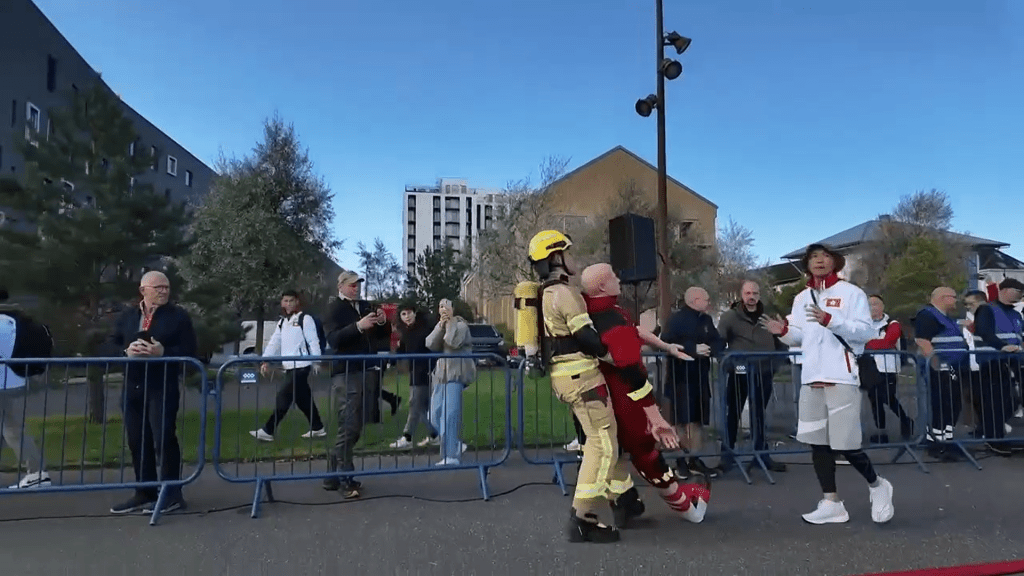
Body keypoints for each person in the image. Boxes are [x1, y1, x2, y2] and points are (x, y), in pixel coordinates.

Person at [761, 244, 894, 525]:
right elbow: (799, 336)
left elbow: (865, 331)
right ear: (807, 264)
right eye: (813, 257)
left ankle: (877, 485)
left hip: (841, 376)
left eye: (824, 256)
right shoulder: (801, 298)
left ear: (834, 262)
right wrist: (783, 331)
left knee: (846, 443)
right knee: (817, 443)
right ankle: (831, 501)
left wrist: (831, 320)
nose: (819, 261)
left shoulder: (851, 293)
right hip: (811, 377)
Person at [580, 263, 710, 527]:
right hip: (624, 398)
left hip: (596, 398)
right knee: (645, 452)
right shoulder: (611, 320)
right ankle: (687, 508)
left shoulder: (596, 311)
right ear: (603, 286)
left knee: (614, 455)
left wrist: (666, 346)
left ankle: (624, 505)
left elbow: (635, 330)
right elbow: (632, 372)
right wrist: (655, 416)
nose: (619, 278)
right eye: (614, 276)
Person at [519, 230, 620, 543]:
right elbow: (586, 338)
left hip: (568, 378)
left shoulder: (547, 294)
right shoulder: (564, 293)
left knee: (598, 442)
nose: (574, 258)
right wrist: (616, 357)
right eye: (568, 252)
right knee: (602, 445)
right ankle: (581, 518)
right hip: (582, 378)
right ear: (556, 257)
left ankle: (619, 499)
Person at [106, 271, 197, 514]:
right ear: (143, 289)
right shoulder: (128, 316)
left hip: (162, 385)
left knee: (163, 437)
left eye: (166, 287)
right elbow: (110, 343)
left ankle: (172, 493)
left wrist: (163, 352)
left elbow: (191, 350)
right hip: (133, 385)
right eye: (158, 287)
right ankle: (145, 492)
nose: (164, 291)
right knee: (137, 439)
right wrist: (126, 352)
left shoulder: (178, 317)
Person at [323, 269, 392, 498]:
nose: (356, 288)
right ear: (341, 286)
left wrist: (383, 321)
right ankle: (345, 478)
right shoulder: (334, 309)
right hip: (346, 372)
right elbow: (333, 340)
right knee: (349, 423)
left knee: (356, 425)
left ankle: (332, 475)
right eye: (352, 285)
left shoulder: (364, 306)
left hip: (367, 369)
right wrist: (358, 327)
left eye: (358, 284)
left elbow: (382, 336)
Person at [717, 280, 787, 474]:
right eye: (748, 293)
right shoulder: (730, 317)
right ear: (741, 295)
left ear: (759, 295)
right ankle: (727, 456)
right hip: (739, 372)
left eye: (755, 292)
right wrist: (728, 363)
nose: (751, 296)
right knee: (733, 415)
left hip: (764, 372)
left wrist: (776, 364)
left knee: (759, 415)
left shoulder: (768, 316)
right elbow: (719, 342)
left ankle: (761, 456)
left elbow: (782, 340)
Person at [662, 286, 726, 478]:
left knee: (697, 420)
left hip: (700, 376)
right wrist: (692, 348)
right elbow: (666, 341)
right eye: (705, 299)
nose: (709, 302)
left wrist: (711, 349)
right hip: (680, 377)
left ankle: (694, 459)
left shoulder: (706, 320)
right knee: (682, 421)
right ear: (693, 300)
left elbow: (717, 341)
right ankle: (681, 460)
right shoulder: (676, 319)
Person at [249, 290, 326, 442]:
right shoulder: (283, 322)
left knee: (284, 397)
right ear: (282, 303)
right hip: (290, 366)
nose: (289, 304)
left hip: (302, 365)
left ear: (297, 301)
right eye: (286, 301)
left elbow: (313, 341)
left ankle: (268, 430)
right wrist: (265, 360)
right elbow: (274, 342)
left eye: (291, 300)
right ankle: (318, 428)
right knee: (303, 399)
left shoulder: (306, 319)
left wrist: (316, 361)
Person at [967, 278, 1023, 455]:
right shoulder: (987, 309)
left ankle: (991, 432)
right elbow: (984, 332)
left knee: (1011, 400)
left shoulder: (1016, 315)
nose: (1021, 295)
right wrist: (1002, 346)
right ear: (1005, 290)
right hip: (991, 361)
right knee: (995, 402)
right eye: (1018, 291)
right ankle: (993, 439)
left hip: (1012, 361)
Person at [913, 286, 969, 460]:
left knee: (953, 404)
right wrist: (936, 365)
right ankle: (937, 443)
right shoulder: (928, 315)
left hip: (953, 367)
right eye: (953, 297)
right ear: (943, 298)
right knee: (941, 405)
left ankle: (947, 440)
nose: (956, 301)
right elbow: (923, 342)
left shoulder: (946, 318)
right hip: (940, 368)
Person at [0, 301, 50, 489]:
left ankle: (37, 471)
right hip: (10, 380)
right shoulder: (9, 319)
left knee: (11, 427)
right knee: (8, 425)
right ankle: (37, 471)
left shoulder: (3, 322)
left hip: (5, 380)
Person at [425, 299, 475, 465]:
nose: (443, 309)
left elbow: (452, 342)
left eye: (447, 306)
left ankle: (451, 456)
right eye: (440, 306)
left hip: (456, 374)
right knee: (433, 414)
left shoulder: (461, 325)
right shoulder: (441, 325)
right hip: (440, 376)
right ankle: (456, 444)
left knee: (450, 415)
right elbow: (430, 344)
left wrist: (450, 323)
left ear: (454, 309)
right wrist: (440, 326)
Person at [864, 294, 914, 443]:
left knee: (888, 398)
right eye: (869, 304)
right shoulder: (864, 324)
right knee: (874, 399)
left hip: (888, 368)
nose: (872, 307)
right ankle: (881, 431)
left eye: (875, 304)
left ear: (882, 307)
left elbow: (888, 342)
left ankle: (906, 421)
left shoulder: (892, 324)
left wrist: (867, 344)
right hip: (869, 367)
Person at [389, 301, 439, 449]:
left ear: (415, 313)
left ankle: (409, 437)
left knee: (415, 404)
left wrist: (431, 368)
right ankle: (435, 435)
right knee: (420, 407)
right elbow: (402, 351)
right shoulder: (405, 332)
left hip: (425, 372)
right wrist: (392, 356)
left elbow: (433, 349)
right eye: (403, 314)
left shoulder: (424, 330)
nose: (407, 316)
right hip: (414, 371)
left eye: (409, 313)